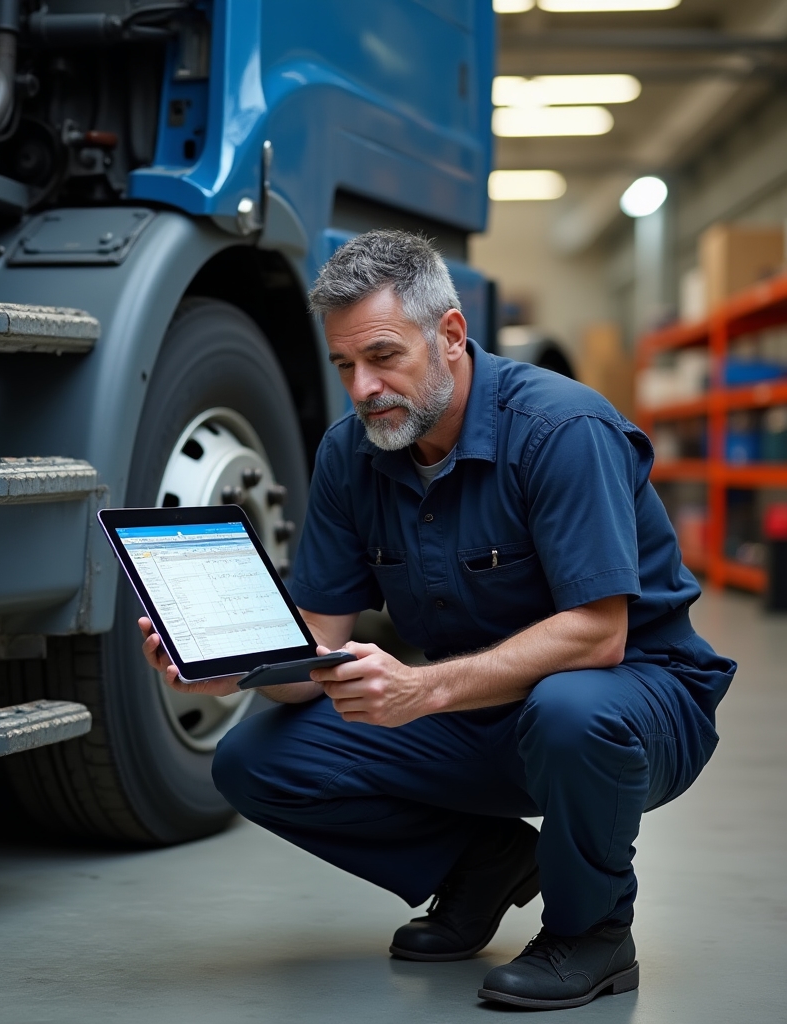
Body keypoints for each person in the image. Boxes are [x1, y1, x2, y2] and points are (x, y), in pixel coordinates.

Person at [138, 230, 735, 1011]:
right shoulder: (351, 456)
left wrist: (420, 691)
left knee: (569, 708)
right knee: (254, 757)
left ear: (451, 335)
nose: (362, 388)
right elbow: (314, 648)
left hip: (635, 704)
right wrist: (234, 666)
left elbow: (599, 634)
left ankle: (592, 935)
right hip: (481, 711)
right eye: (345, 366)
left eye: (384, 357)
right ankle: (480, 865)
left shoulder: (562, 430)